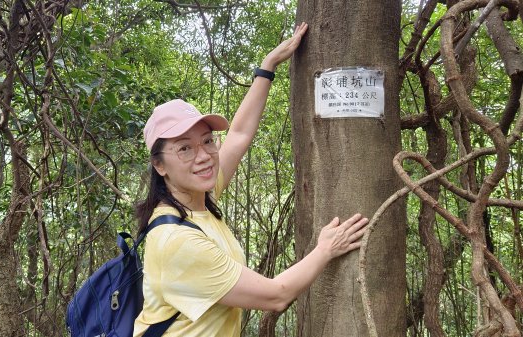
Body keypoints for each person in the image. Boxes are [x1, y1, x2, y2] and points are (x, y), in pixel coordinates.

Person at [133, 22, 368, 337]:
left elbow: (239, 135)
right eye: (185, 149)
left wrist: (267, 67)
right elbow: (276, 295)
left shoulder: (196, 198)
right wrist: (325, 247)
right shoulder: (176, 240)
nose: (203, 155)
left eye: (206, 141)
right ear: (160, 165)